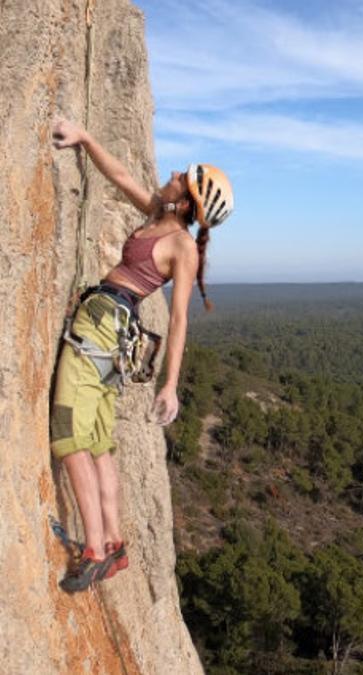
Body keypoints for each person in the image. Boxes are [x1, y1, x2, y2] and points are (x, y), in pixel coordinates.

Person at [50, 119, 234, 592]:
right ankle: (113, 542)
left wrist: (170, 385)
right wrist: (86, 138)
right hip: (112, 331)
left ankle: (94, 549)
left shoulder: (182, 247)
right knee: (97, 443)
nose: (171, 173)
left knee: (69, 435)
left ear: (185, 200)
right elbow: (120, 176)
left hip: (102, 328)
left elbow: (180, 320)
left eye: (181, 177)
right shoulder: (157, 213)